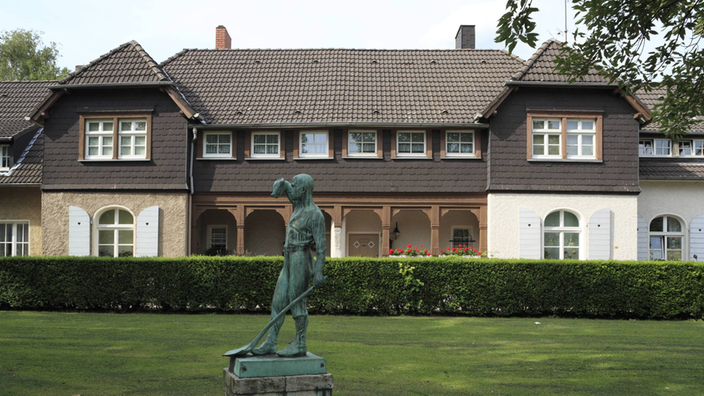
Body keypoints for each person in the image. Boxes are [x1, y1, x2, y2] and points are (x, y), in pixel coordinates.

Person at [252, 174, 327, 357]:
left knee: (297, 302)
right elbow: (286, 191)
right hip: (288, 258)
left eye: (295, 186)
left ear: (303, 190)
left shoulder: (315, 214)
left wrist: (318, 273)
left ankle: (300, 343)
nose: (292, 190)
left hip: (301, 258)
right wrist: (283, 184)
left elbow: (322, 247)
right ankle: (271, 342)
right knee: (278, 301)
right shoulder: (298, 205)